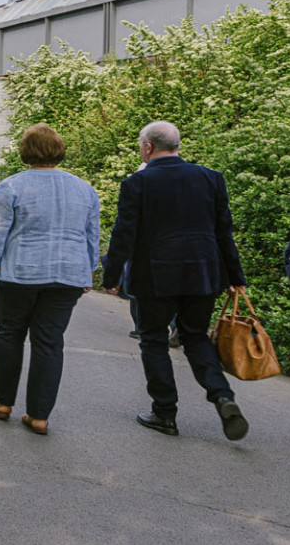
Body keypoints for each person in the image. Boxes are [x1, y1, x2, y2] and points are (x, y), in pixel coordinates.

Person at [102, 121, 251, 442]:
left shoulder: (137, 183)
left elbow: (124, 233)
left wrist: (111, 276)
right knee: (195, 336)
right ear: (177, 145)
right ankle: (223, 396)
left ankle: (165, 412)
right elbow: (224, 232)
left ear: (148, 148)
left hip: (155, 276)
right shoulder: (211, 179)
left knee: (153, 339)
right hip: (204, 273)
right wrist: (235, 277)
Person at [0, 124, 100, 435]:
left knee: (10, 334)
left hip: (21, 272)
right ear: (59, 150)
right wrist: (87, 271)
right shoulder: (84, 189)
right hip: (67, 276)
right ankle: (39, 416)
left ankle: (3, 402)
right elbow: (91, 236)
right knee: (49, 343)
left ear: (25, 152)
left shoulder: (11, 187)